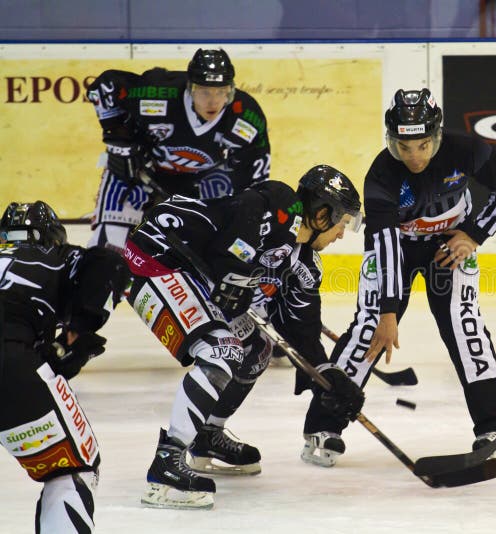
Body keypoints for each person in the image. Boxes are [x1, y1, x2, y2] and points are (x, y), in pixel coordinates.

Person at [300, 88, 496, 468]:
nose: (414, 156)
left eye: (422, 145)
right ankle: (323, 427)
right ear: (391, 141)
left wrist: (474, 233)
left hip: (448, 246)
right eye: (404, 147)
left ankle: (495, 426)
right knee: (367, 329)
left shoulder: (465, 150)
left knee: (464, 324)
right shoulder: (381, 174)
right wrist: (387, 313)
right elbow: (385, 245)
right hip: (397, 250)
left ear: (436, 136)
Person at [123, 164, 365, 509]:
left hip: (193, 276)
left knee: (257, 347)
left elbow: (302, 332)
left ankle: (207, 435)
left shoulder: (305, 267)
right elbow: (247, 211)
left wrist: (329, 379)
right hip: (158, 255)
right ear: (323, 214)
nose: (343, 234)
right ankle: (167, 462)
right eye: (343, 223)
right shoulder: (282, 204)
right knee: (222, 351)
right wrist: (234, 271)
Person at [0, 201, 128, 532]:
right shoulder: (53, 256)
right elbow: (109, 263)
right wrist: (74, 334)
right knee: (72, 471)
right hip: (10, 360)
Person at [86, 48, 271, 253]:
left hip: (199, 185)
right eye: (205, 91)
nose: (213, 101)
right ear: (191, 88)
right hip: (137, 175)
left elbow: (254, 177)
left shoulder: (246, 117)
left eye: (221, 92)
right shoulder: (158, 93)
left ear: (231, 90)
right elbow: (104, 87)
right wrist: (120, 143)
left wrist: (239, 216)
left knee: (199, 256)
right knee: (108, 251)